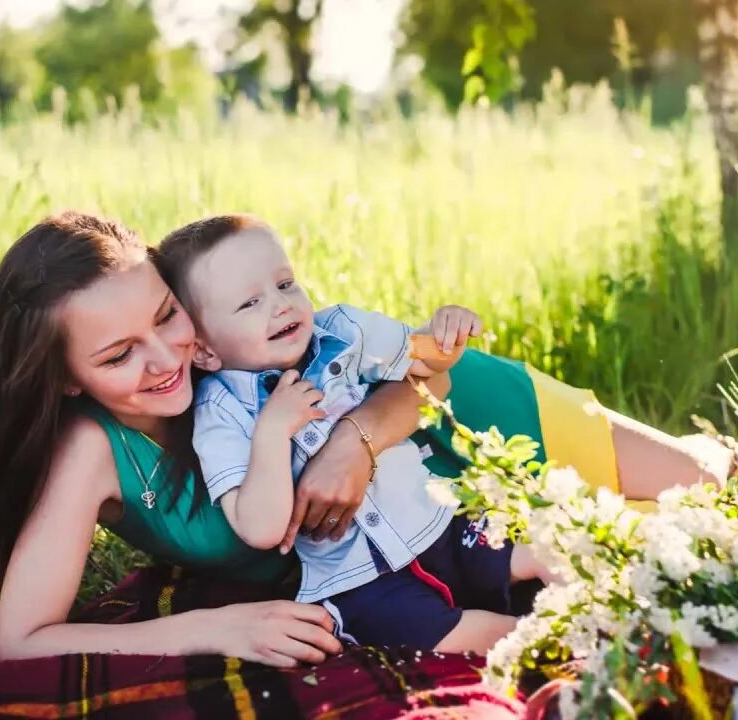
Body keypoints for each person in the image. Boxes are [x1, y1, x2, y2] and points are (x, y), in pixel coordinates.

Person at [0, 209, 733, 667]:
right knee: (630, 537)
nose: (166, 358)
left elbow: (421, 379)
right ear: (62, 377)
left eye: (166, 317)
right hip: (414, 538)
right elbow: (23, 641)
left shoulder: (232, 344)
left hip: (464, 421)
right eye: (116, 354)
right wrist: (217, 629)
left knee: (703, 483)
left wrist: (351, 443)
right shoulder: (91, 451)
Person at [157, 214, 558, 654]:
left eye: (285, 284)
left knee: (540, 549)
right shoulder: (220, 413)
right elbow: (261, 528)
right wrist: (272, 430)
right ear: (205, 351)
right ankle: (555, 644)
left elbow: (425, 366)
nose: (280, 305)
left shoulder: (343, 331)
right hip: (360, 579)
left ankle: (601, 606)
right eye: (249, 304)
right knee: (453, 634)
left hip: (436, 522)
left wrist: (444, 333)